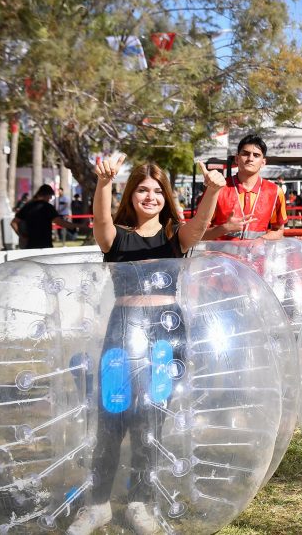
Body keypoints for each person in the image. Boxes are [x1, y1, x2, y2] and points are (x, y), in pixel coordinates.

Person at [67, 155, 226, 535]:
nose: (150, 196)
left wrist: (214, 189)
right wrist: (103, 182)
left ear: (165, 196)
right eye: (142, 189)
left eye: (157, 190)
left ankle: (141, 502)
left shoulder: (175, 234)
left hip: (166, 337)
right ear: (132, 194)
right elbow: (100, 225)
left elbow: (201, 226)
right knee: (111, 420)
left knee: (150, 421)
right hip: (121, 335)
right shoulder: (116, 236)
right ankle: (98, 504)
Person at [202, 135, 287, 241]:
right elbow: (197, 233)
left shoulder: (275, 192)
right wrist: (224, 228)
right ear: (237, 159)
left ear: (263, 162)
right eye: (245, 154)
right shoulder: (217, 189)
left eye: (256, 155)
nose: (250, 159)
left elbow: (279, 230)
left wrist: (262, 240)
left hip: (257, 256)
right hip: (220, 256)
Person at [11, 184, 78, 249]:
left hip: (29, 245)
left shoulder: (28, 206)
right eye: (50, 196)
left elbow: (13, 223)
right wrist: (79, 225)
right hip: (44, 245)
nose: (51, 198)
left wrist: (21, 236)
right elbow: (60, 222)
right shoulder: (48, 207)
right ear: (47, 195)